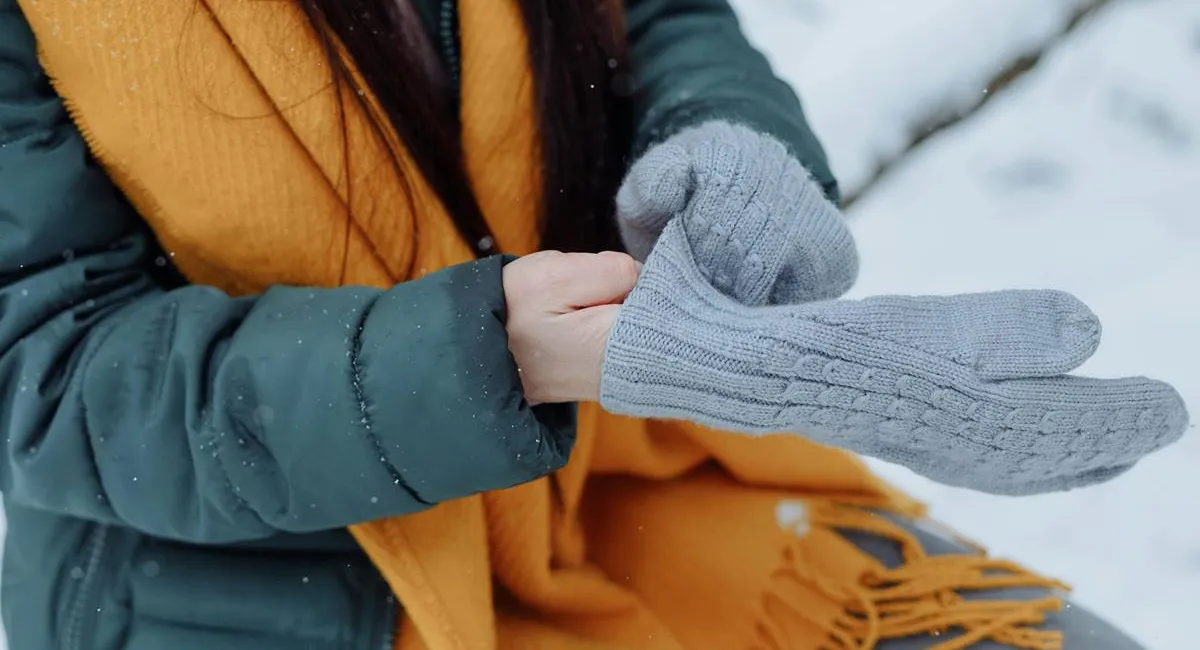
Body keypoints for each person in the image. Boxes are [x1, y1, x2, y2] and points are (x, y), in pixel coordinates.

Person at [0, 0, 1187, 648]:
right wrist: (492, 354)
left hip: (643, 456)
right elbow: (46, 375)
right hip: (269, 590)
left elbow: (659, 14)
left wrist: (721, 139)